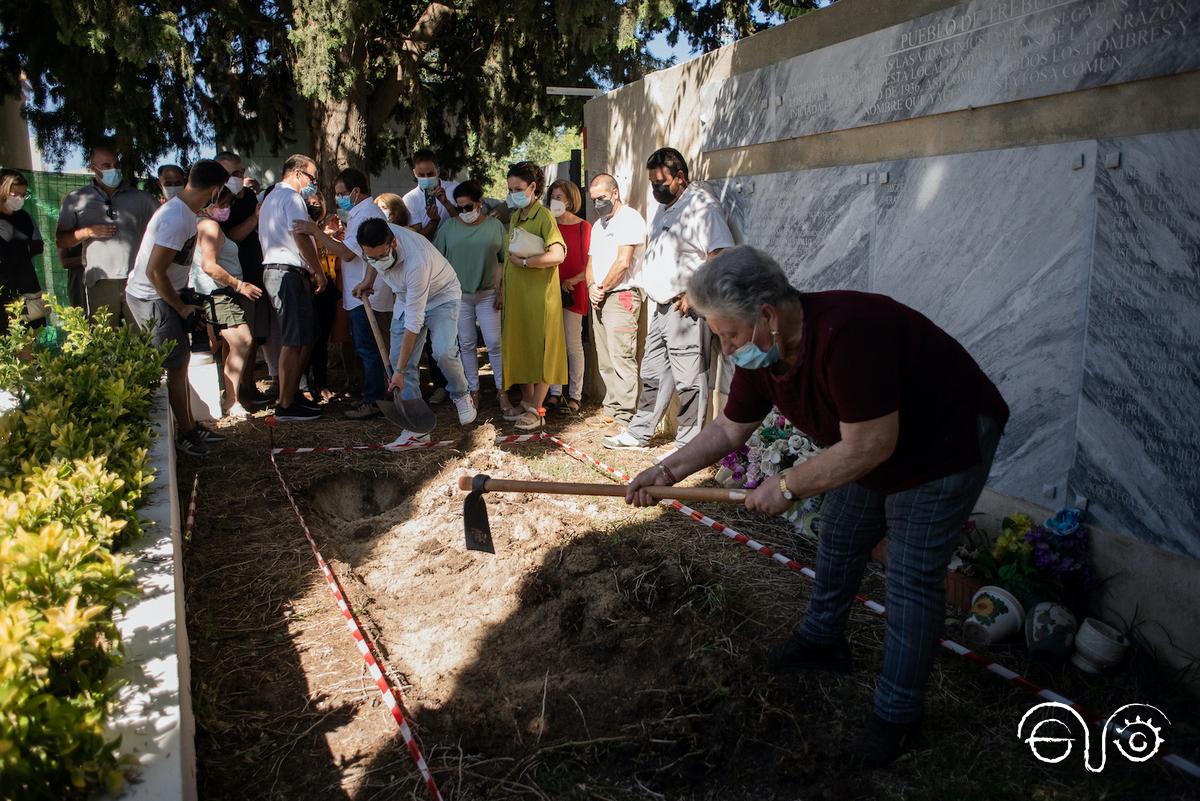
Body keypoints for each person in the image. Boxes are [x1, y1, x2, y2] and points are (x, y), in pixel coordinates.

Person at [626, 246, 1010, 766]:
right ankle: (822, 641)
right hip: (871, 443)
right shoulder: (762, 350)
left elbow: (870, 445)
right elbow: (730, 427)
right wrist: (667, 472)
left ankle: (897, 716)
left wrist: (786, 486)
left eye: (730, 334)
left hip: (943, 443)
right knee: (843, 535)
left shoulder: (848, 335)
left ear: (767, 316)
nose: (726, 345)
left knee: (911, 576)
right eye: (719, 334)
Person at [603, 147, 733, 455]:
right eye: (652, 182)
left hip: (686, 307)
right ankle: (639, 432)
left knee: (689, 380)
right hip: (661, 305)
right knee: (652, 372)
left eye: (661, 182)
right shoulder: (665, 206)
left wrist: (694, 293)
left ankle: (687, 444)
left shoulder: (702, 206)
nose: (655, 188)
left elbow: (720, 254)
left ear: (680, 177)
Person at [125, 159, 232, 456]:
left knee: (180, 364)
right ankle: (185, 434)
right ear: (215, 189)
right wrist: (180, 308)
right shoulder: (175, 218)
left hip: (166, 295)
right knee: (174, 366)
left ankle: (190, 426)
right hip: (152, 298)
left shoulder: (185, 213)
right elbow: (154, 272)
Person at [355, 218, 476, 442]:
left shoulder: (416, 261)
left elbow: (414, 322)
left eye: (381, 257)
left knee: (442, 351)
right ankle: (417, 430)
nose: (377, 262)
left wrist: (399, 371)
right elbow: (372, 261)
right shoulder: (374, 244)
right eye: (370, 257)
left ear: (393, 244)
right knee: (398, 359)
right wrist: (367, 280)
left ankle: (461, 394)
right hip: (405, 296)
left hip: (442, 295)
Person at [292, 168, 391, 420]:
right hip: (361, 291)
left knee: (369, 348)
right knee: (367, 347)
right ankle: (377, 394)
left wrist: (316, 233)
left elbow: (347, 253)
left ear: (356, 191)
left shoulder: (366, 214)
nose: (337, 200)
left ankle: (374, 399)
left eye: (341, 194)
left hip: (366, 293)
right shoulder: (360, 213)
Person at [432, 180, 515, 417]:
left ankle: (502, 392)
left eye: (468, 207)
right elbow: (439, 262)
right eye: (459, 208)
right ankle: (473, 391)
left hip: (489, 293)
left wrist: (501, 291)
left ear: (480, 203)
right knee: (466, 344)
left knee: (495, 343)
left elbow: (503, 260)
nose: (463, 213)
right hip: (459, 296)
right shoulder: (448, 229)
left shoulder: (494, 227)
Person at [56, 142, 159, 327]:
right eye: (106, 166)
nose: (113, 169)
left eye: (116, 165)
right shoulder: (76, 200)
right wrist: (86, 232)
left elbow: (164, 228)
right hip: (99, 282)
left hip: (137, 281)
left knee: (142, 339)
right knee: (104, 341)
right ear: (92, 168)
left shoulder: (141, 198)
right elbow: (61, 240)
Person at [257, 153, 328, 421]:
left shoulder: (270, 199)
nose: (313, 184)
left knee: (306, 334)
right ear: (298, 174)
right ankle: (286, 403)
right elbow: (301, 235)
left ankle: (291, 394)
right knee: (293, 339)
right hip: (287, 271)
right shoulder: (291, 197)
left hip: (281, 271)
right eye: (312, 178)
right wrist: (318, 271)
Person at [499, 162, 568, 431]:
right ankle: (529, 404)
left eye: (518, 189)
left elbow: (558, 254)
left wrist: (527, 264)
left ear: (533, 187)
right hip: (518, 299)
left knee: (542, 351)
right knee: (523, 349)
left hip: (540, 299)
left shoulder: (544, 217)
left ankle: (538, 409)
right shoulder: (516, 216)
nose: (514, 193)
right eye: (510, 189)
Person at [189, 187, 263, 418]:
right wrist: (239, 285)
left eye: (228, 204)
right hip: (218, 293)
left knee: (223, 345)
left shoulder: (202, 223)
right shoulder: (209, 226)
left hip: (217, 292)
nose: (226, 209)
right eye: (222, 204)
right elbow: (209, 266)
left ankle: (228, 397)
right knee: (242, 341)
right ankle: (231, 400)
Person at [586, 173, 646, 428]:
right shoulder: (599, 225)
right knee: (606, 357)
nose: (598, 203)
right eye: (594, 199)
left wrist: (602, 287)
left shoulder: (629, 218)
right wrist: (591, 286)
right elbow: (590, 263)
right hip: (599, 296)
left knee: (622, 355)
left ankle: (625, 415)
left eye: (602, 198)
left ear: (615, 193)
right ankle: (611, 407)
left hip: (621, 295)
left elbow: (623, 262)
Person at [215, 151, 272, 408]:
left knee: (252, 339)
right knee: (235, 341)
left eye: (238, 173)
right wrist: (255, 218)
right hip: (230, 281)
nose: (235, 178)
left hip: (254, 275)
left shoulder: (248, 197)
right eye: (229, 174)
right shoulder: (218, 203)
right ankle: (231, 394)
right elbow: (232, 237)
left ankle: (247, 388)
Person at [544, 179, 591, 414]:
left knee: (572, 344)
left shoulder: (584, 227)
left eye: (559, 197)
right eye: (552, 197)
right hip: (550, 291)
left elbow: (590, 263)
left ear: (571, 199)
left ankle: (574, 395)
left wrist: (575, 280)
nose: (555, 201)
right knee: (553, 343)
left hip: (574, 290)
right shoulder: (547, 225)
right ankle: (554, 392)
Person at [0, 169, 45, 335]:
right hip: (2, 291)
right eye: (15, 193)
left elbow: (37, 245)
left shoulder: (24, 218)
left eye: (23, 194)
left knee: (28, 342)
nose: (19, 198)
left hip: (26, 288)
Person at [402, 149, 459, 241]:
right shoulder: (410, 199)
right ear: (415, 173)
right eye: (421, 175)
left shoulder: (454, 189)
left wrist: (446, 203)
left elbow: (464, 225)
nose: (426, 178)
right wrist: (434, 221)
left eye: (430, 174)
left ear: (438, 171)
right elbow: (417, 239)